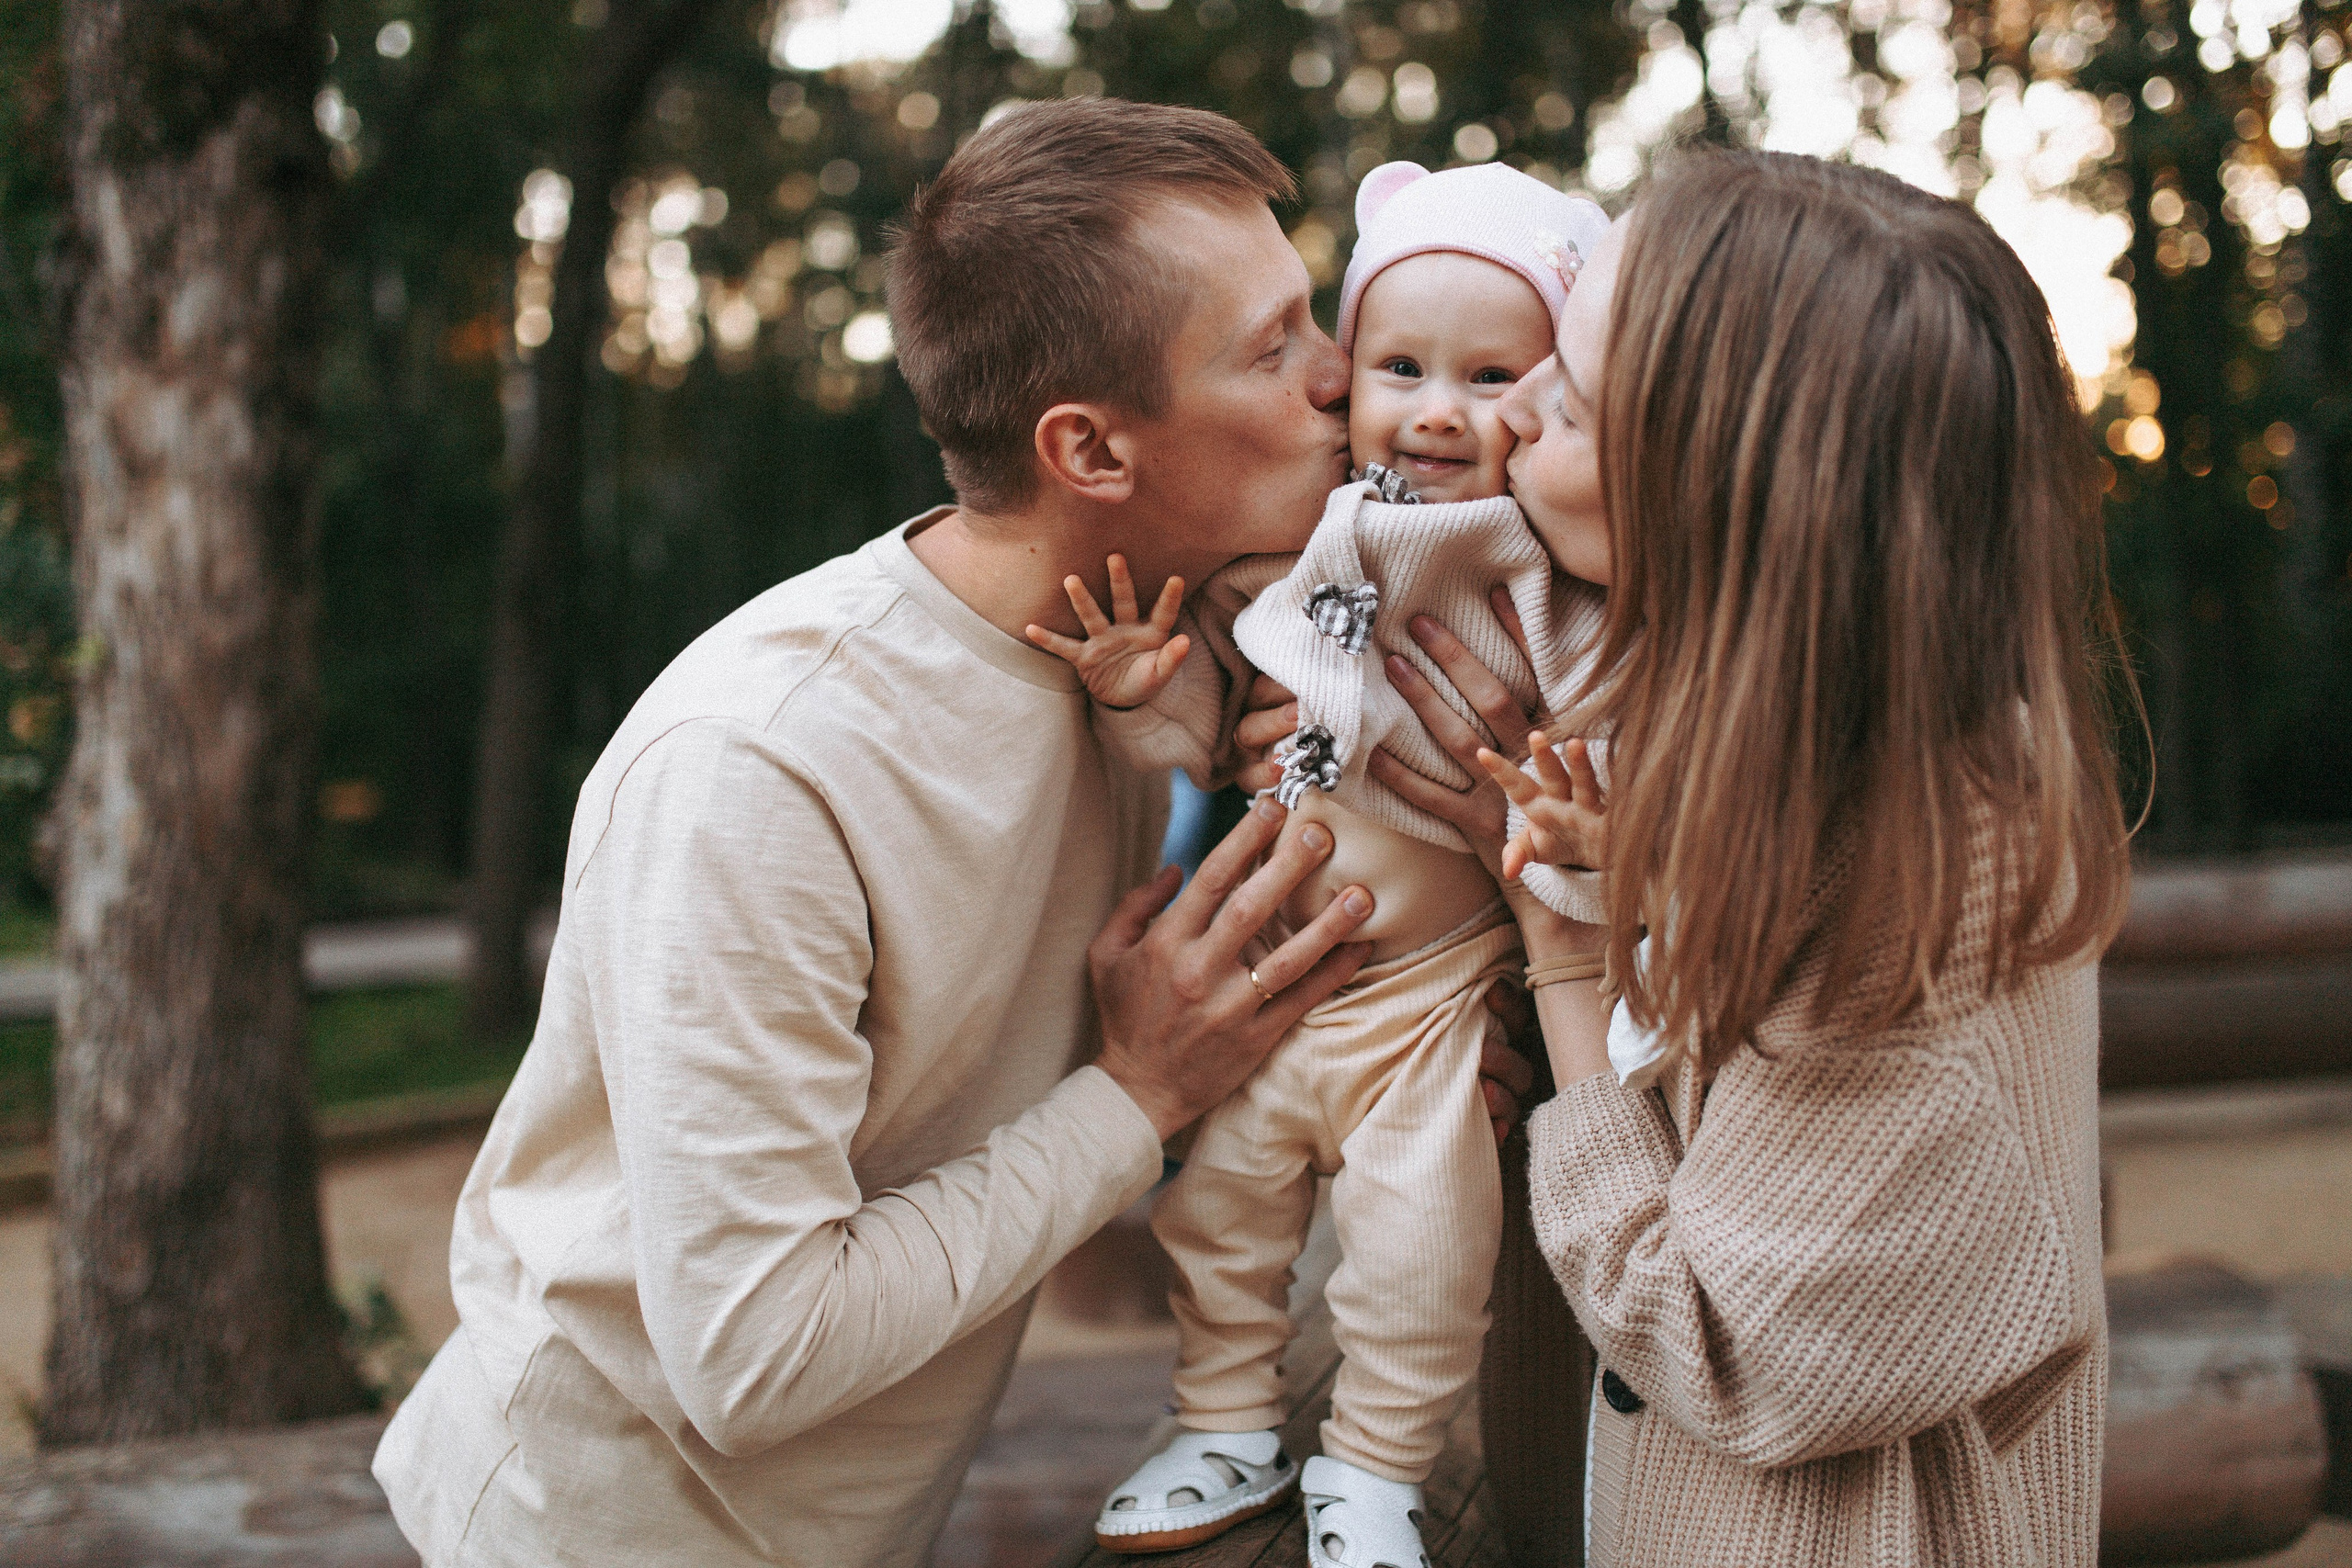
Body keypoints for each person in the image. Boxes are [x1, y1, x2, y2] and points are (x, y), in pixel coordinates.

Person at [372, 99, 1534, 1568]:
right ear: (1090, 450)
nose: (1340, 374)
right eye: (1272, 346)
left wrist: (1444, 1022)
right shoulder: (760, 769)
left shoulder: (1185, 652)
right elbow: (754, 1357)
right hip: (601, 1535)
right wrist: (1141, 1092)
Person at [1385, 148, 2130, 1564]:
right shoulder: (1785, 721)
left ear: (1724, 498)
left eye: (1573, 400)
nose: (1514, 406)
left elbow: (1722, 1341)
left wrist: (1566, 951)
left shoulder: (1926, 862)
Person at [1032, 162, 1614, 1565]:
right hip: (1275, 977)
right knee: (1219, 1213)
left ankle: (1374, 1470)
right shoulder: (1304, 540)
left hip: (1430, 996)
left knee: (1423, 1250)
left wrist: (1589, 829)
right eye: (1401, 368)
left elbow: (1607, 743)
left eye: (1491, 376)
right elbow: (1216, 717)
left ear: (1555, 394)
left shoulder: (1545, 570)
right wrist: (1147, 693)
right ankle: (1223, 1424)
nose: (1437, 410)